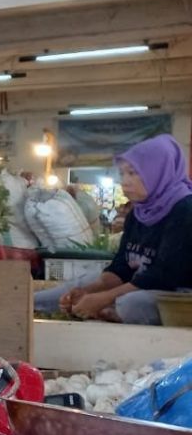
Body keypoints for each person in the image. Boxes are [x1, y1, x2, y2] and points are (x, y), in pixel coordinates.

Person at [35, 135, 192, 324]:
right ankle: (29, 304)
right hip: (145, 284)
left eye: (133, 173)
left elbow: (163, 275)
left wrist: (105, 297)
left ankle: (112, 312)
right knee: (88, 281)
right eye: (122, 174)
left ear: (158, 172)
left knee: (132, 303)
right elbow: (121, 267)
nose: (124, 182)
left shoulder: (184, 210)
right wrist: (89, 292)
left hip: (179, 294)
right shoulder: (138, 213)